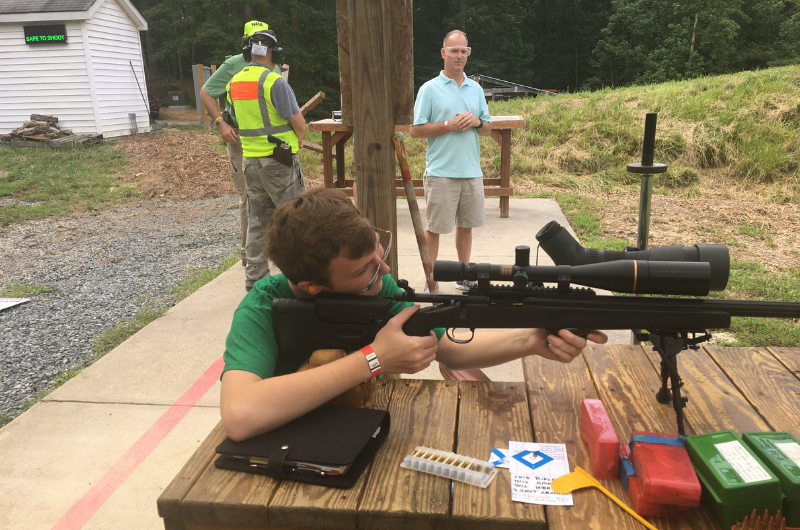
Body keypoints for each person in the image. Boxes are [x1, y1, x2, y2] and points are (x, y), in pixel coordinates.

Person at [220, 188, 608, 441]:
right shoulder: (261, 309)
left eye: (379, 252)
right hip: (282, 450)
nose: (384, 272)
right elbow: (240, 415)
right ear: (313, 288)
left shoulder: (374, 285)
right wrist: (374, 360)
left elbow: (446, 348)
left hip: (353, 437)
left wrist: (530, 340)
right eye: (364, 270)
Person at [410, 30, 492, 292]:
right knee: (434, 229)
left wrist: (476, 122)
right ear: (443, 53)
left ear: (468, 54)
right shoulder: (429, 89)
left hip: (471, 170)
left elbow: (488, 128)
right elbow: (416, 130)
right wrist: (448, 125)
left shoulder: (476, 89)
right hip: (441, 171)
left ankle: (464, 273)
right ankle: (430, 278)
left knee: (466, 227)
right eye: (454, 50)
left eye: (464, 51)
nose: (459, 56)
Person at [226, 28, 307, 291]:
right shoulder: (275, 82)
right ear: (274, 52)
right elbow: (299, 123)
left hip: (250, 161)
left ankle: (254, 283)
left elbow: (236, 119)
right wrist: (299, 139)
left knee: (257, 222)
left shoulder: (234, 83)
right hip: (278, 161)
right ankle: (300, 279)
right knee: (295, 220)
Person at [200, 20, 279, 267]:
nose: (259, 46)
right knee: (250, 195)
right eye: (254, 41)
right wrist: (220, 122)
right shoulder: (234, 64)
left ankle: (277, 248)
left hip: (271, 142)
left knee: (275, 195)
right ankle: (249, 253)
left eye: (263, 41)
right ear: (245, 43)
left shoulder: (274, 67)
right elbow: (206, 92)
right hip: (242, 141)